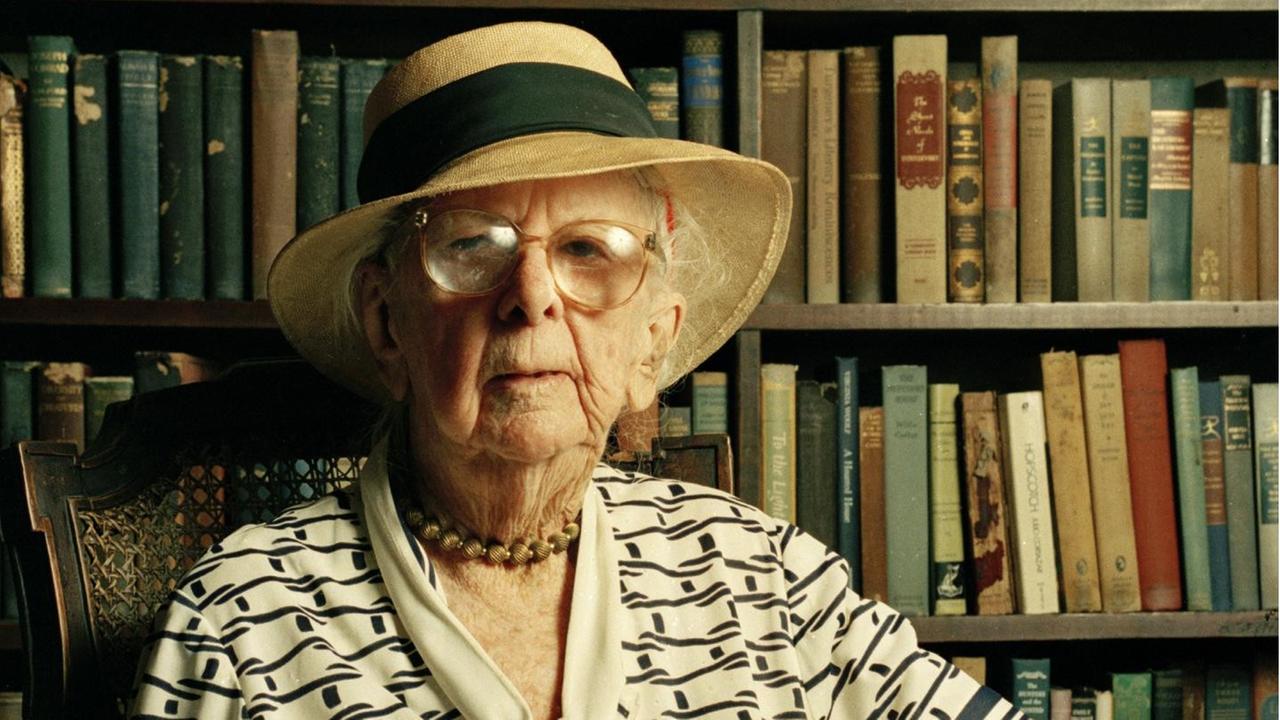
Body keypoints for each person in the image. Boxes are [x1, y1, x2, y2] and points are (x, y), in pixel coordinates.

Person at [130, 21, 1020, 720]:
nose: (532, 296)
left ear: (653, 344)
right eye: (473, 246)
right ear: (387, 324)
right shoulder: (241, 619)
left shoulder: (768, 577)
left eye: (589, 249)